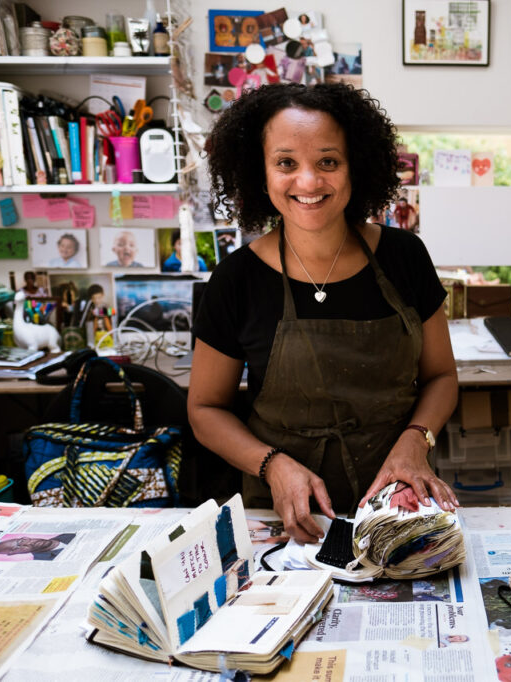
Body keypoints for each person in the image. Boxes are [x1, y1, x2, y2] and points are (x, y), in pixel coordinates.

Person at [190, 82, 459, 544]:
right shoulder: (237, 279)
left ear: (356, 167)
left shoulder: (404, 257)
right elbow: (204, 409)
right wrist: (272, 466)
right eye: (286, 163)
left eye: (328, 162)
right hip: (286, 518)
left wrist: (417, 441)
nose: (309, 182)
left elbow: (441, 377)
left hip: (396, 504)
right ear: (261, 172)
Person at [0, 533, 75, 561]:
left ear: (25, 537)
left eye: (21, 541)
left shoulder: (67, 534)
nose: (26, 544)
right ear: (14, 553)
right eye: (17, 548)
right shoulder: (45, 561)